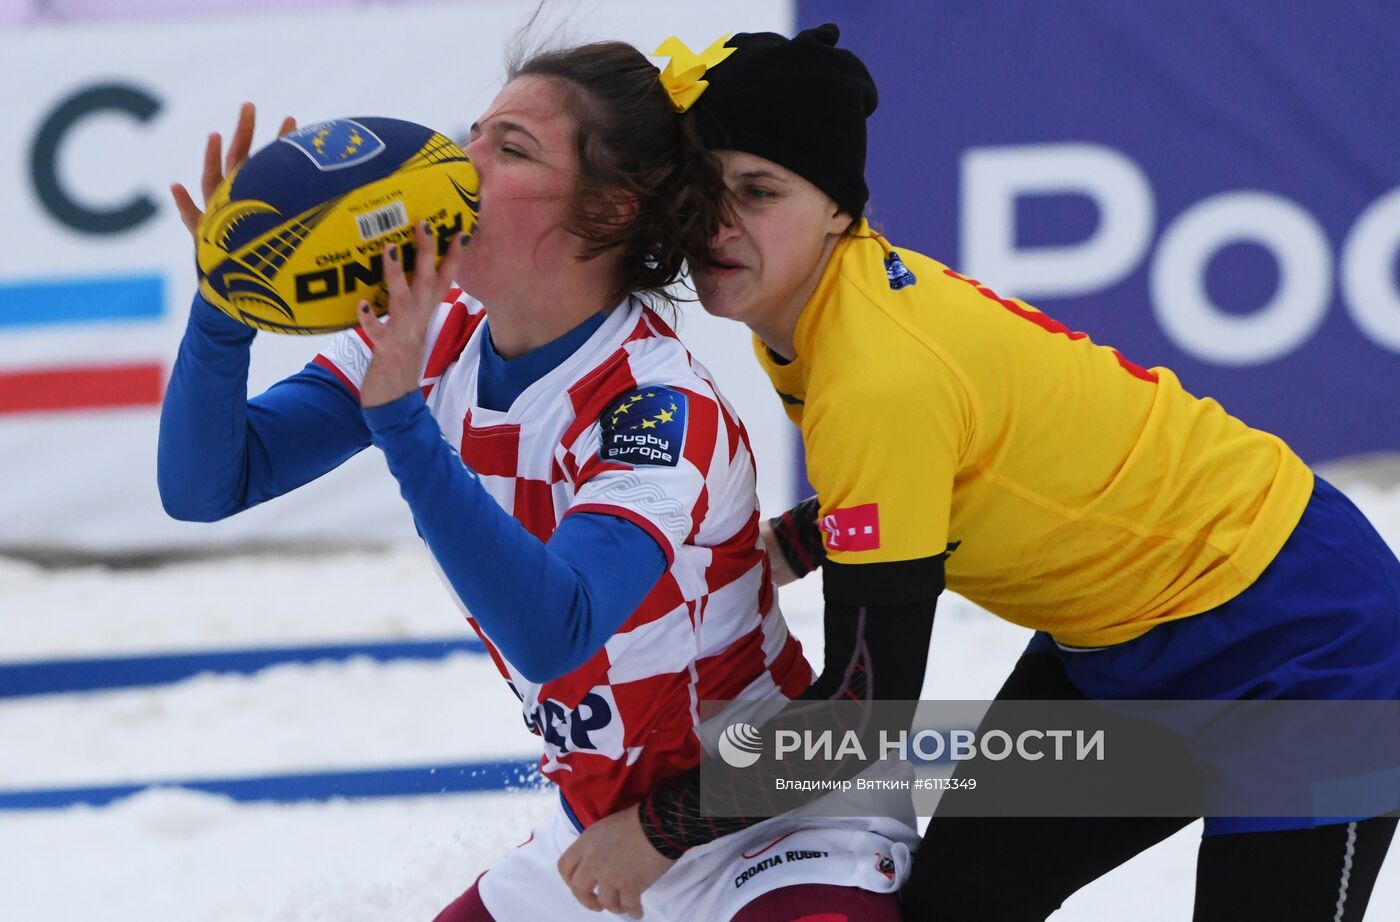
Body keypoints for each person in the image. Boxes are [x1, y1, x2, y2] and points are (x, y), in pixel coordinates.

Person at [562, 24, 1400, 921]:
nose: (719, 225)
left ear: (840, 208)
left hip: (1308, 644)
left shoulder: (875, 370)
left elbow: (861, 715)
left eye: (758, 191)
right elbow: (962, 455)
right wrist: (793, 542)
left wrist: (659, 827)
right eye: (700, 193)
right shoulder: (831, 302)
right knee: (954, 906)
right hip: (1124, 648)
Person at [159, 40, 915, 922]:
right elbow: (209, 483)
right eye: (471, 135)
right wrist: (227, 299)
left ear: (608, 211)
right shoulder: (431, 337)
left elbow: (556, 631)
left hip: (764, 821)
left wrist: (401, 422)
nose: (456, 166)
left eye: (510, 150)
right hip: (595, 834)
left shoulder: (654, 406)